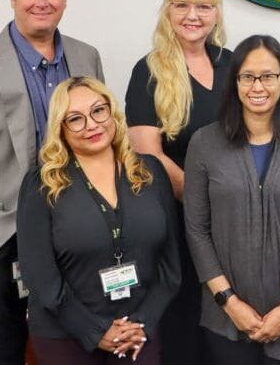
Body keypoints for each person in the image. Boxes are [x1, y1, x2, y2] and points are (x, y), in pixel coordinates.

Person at [184, 35, 280, 365]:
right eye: (248, 76)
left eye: (268, 76)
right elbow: (196, 230)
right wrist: (229, 301)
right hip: (225, 320)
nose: (258, 86)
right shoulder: (204, 143)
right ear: (235, 81)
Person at [16, 76, 180, 364]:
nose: (92, 124)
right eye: (75, 119)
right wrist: (95, 331)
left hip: (137, 331)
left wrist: (142, 323)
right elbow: (40, 276)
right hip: (65, 333)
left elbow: (170, 265)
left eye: (98, 110)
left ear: (111, 111)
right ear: (61, 129)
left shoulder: (150, 172)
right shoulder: (42, 184)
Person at [0, 0, 104, 365]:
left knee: (74, 341)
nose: (41, 1)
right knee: (9, 345)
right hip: (8, 229)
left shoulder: (86, 56)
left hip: (79, 227)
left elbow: (103, 133)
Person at [125, 0, 231, 364]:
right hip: (176, 221)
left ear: (216, 14)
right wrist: (203, 203)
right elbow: (147, 153)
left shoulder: (232, 65)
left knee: (227, 326)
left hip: (232, 222)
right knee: (184, 327)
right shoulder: (149, 70)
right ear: (167, 11)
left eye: (204, 6)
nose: (193, 15)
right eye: (182, 5)